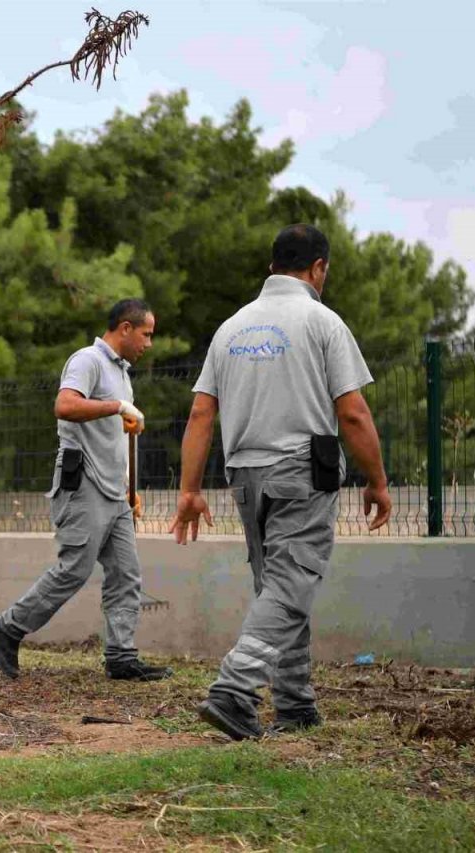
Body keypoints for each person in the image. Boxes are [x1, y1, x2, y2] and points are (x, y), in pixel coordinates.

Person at [169, 224, 392, 739]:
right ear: (318, 268)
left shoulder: (231, 328)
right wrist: (377, 480)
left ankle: (294, 703)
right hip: (300, 472)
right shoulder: (321, 321)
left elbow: (202, 413)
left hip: (245, 475)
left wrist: (189, 490)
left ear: (272, 267)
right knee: (292, 582)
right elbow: (353, 413)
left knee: (279, 586)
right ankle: (234, 689)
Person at [0, 299, 172, 682]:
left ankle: (121, 657)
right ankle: (9, 627)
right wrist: (118, 406)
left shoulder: (121, 371)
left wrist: (129, 489)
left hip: (114, 492)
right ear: (125, 328)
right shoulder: (86, 360)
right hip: (84, 484)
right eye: (146, 334)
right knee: (75, 569)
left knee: (126, 573)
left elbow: (113, 435)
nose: (149, 343)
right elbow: (65, 405)